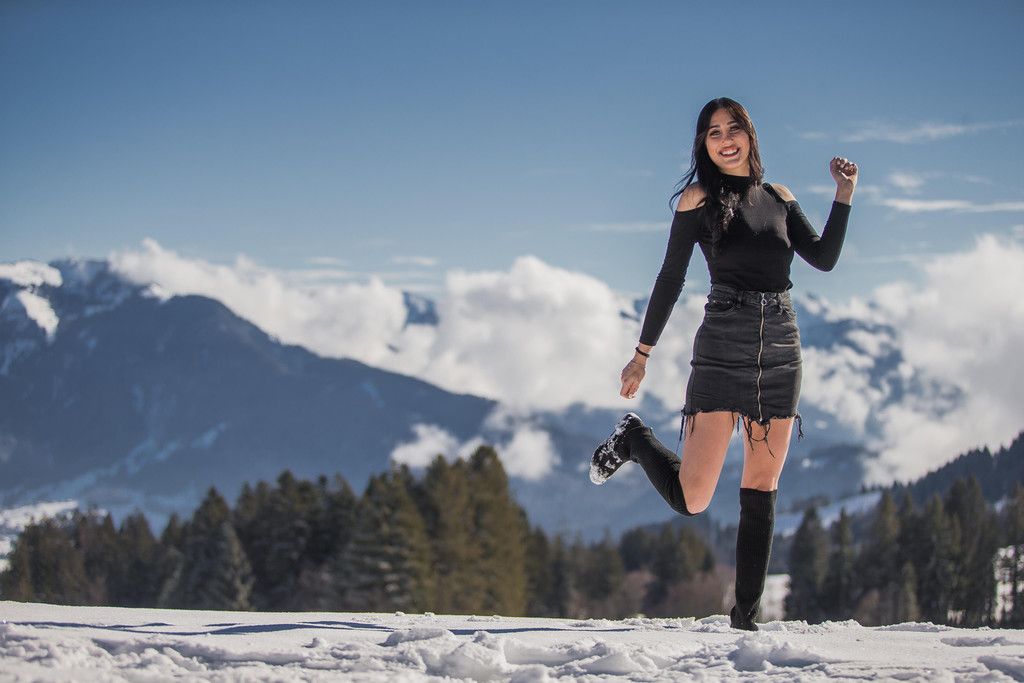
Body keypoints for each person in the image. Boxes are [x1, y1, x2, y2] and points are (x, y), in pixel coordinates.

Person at [589, 97, 857, 631]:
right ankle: (635, 439)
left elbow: (823, 259)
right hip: (722, 346)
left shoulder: (779, 197)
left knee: (762, 484)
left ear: (750, 135)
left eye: (734, 128)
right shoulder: (698, 199)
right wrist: (641, 356)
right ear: (704, 145)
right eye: (714, 132)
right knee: (693, 498)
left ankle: (745, 620)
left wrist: (844, 195)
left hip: (781, 346)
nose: (725, 139)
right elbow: (670, 277)